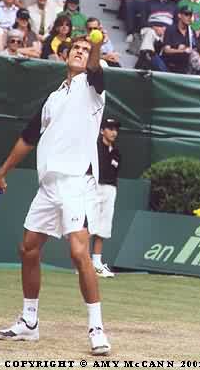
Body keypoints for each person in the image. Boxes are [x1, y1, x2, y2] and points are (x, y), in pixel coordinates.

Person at [0, 35, 111, 356]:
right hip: (48, 185)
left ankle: (96, 328)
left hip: (76, 181)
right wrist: (3, 172)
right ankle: (29, 322)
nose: (82, 54)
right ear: (65, 56)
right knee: (28, 248)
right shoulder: (53, 98)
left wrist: (96, 48)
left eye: (87, 51)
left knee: (77, 253)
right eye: (77, 49)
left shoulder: (92, 86)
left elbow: (98, 68)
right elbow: (28, 138)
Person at [91, 118, 121, 279]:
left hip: (110, 190)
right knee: (87, 225)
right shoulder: (94, 148)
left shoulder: (117, 152)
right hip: (93, 187)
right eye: (110, 128)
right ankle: (81, 264)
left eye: (116, 129)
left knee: (103, 227)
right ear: (102, 131)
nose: (114, 132)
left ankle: (96, 263)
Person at [162, 5, 197, 73]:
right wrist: (182, 50)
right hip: (170, 65)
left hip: (186, 66)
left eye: (190, 15)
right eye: (186, 14)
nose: (189, 17)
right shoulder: (170, 29)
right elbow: (166, 50)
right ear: (179, 15)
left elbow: (194, 49)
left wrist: (189, 49)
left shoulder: (191, 31)